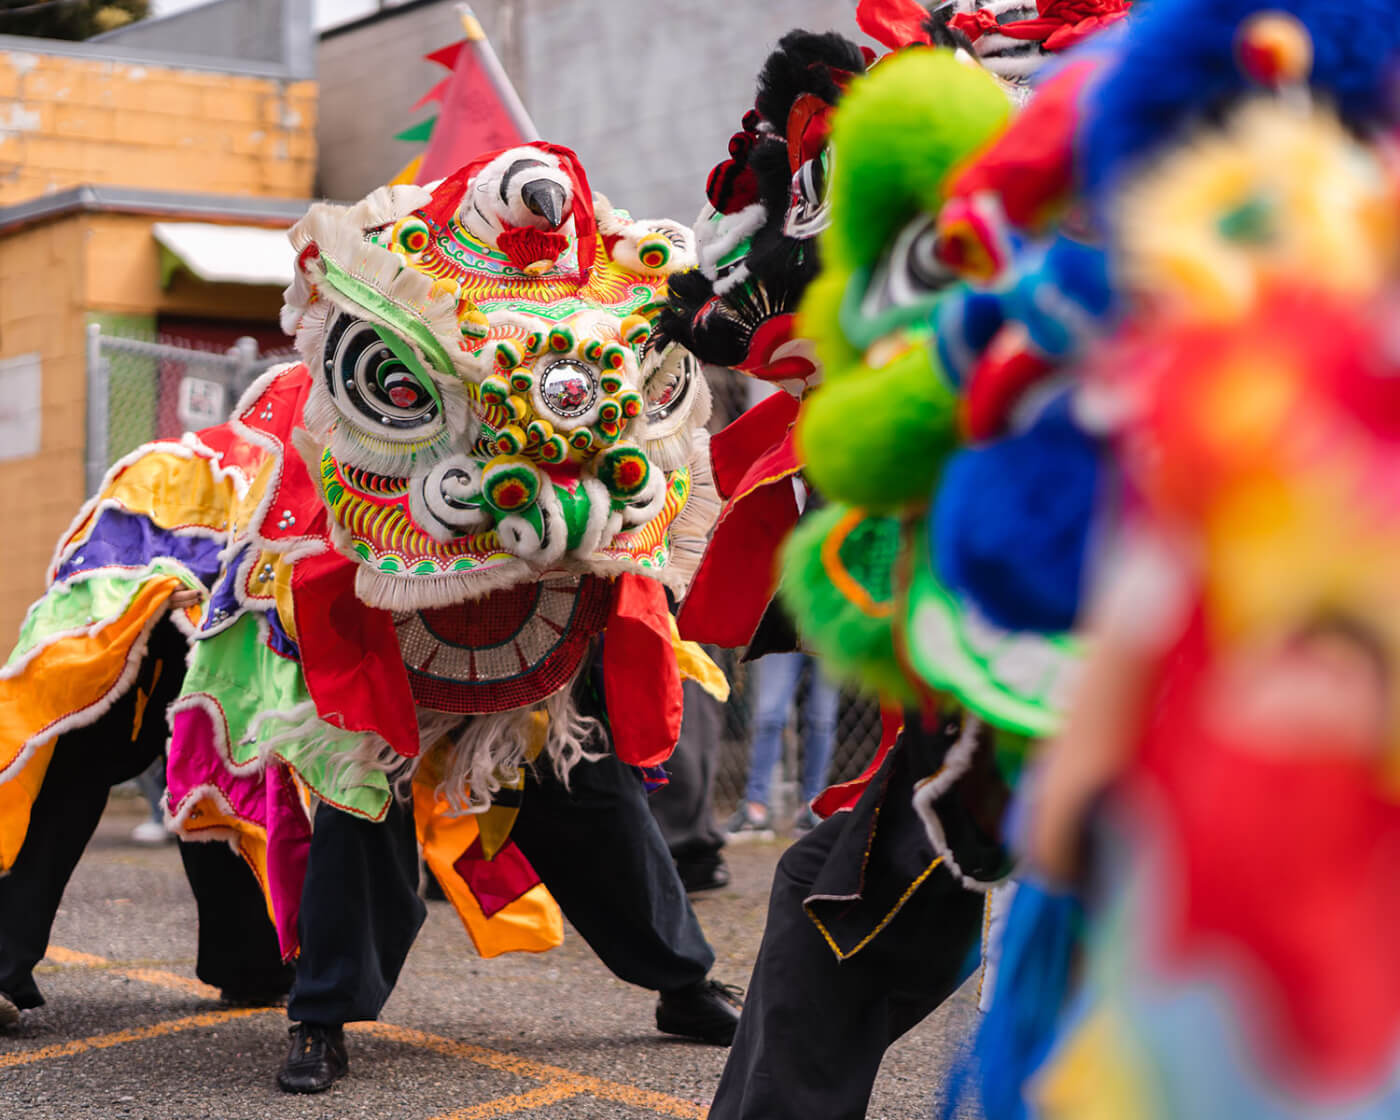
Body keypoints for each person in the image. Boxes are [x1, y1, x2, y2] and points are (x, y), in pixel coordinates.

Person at [728, 652, 839, 837]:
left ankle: (814, 808)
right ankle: (756, 811)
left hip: (830, 631)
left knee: (822, 720)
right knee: (769, 717)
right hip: (784, 628)